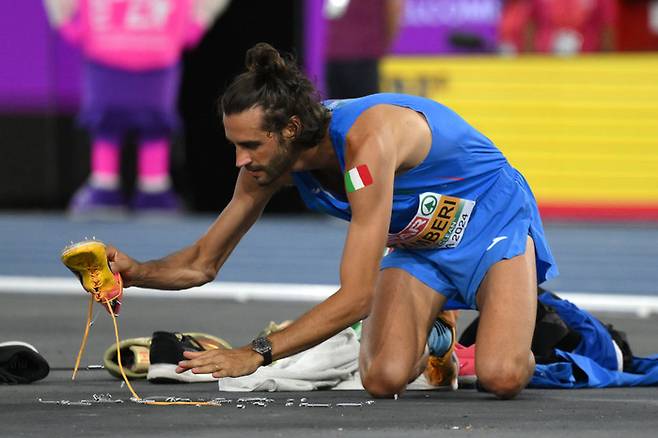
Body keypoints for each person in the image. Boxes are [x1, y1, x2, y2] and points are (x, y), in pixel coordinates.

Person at [105, 43, 558, 399]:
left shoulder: (368, 141)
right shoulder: (269, 165)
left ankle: (517, 335)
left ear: (289, 130)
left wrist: (255, 354)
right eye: (234, 146)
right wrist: (136, 272)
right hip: (421, 246)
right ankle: (440, 337)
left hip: (492, 223)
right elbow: (203, 262)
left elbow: (358, 296)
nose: (240, 161)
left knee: (501, 377)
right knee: (382, 379)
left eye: (249, 145)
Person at [44, 0, 231, 215]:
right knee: (107, 124)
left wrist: (197, 24)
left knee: (154, 126)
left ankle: (153, 186)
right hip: (109, 56)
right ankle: (106, 184)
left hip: (154, 58)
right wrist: (65, 24)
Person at [325, 0, 405, 98]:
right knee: (366, 108)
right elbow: (394, 10)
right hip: (362, 54)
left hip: (338, 54)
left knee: (337, 109)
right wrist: (385, 43)